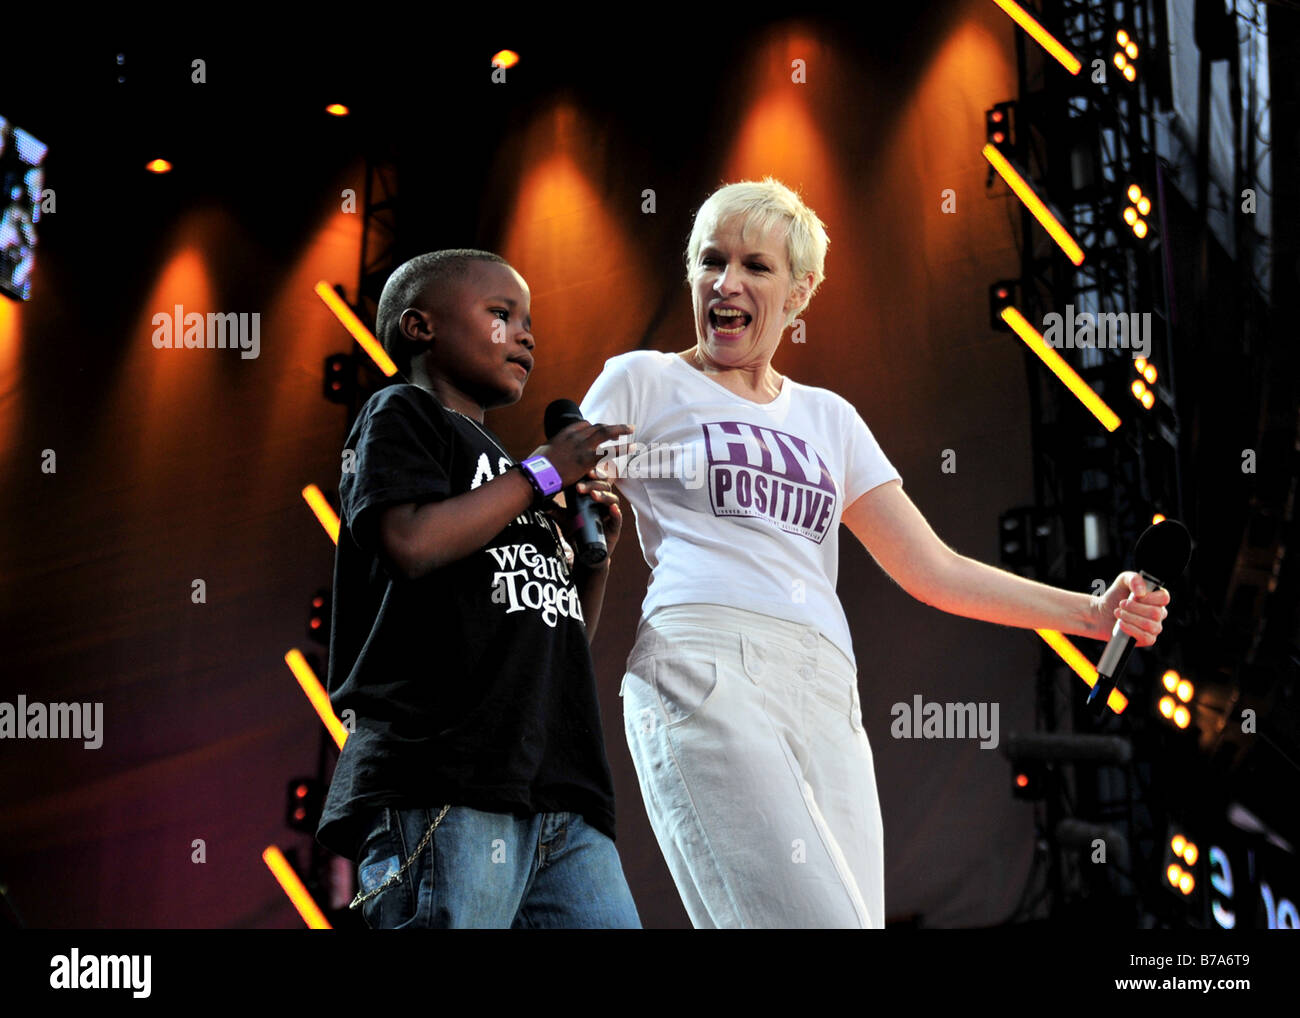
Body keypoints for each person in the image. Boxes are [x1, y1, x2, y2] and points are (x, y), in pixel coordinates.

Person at [579, 178, 1171, 929]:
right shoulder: (643, 380)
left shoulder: (829, 418)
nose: (726, 283)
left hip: (827, 686)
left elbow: (934, 569)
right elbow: (553, 488)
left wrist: (1090, 614)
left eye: (756, 266)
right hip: (703, 660)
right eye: (710, 260)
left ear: (799, 292)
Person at [316, 249, 640, 929]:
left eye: (529, 322)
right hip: (445, 775)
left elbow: (557, 642)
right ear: (420, 327)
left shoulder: (512, 483)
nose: (526, 335)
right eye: (501, 314)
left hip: (558, 793)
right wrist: (542, 475)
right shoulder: (403, 413)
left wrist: (595, 562)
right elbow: (410, 543)